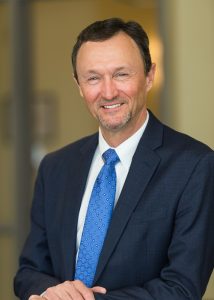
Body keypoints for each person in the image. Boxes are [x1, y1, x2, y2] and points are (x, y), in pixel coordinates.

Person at [14, 18, 214, 300]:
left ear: (149, 75)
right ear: (79, 85)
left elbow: (182, 287)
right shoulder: (55, 167)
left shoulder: (195, 166)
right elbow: (28, 272)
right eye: (93, 78)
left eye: (121, 74)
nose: (108, 92)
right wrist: (49, 292)